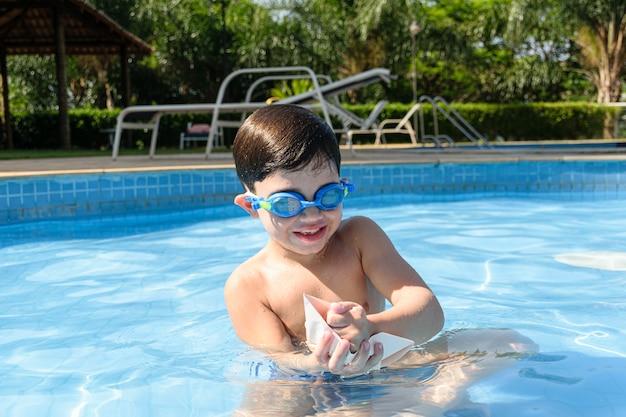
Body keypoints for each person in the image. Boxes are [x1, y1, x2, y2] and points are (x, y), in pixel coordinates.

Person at [225, 104, 444, 377]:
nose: (312, 215)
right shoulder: (248, 285)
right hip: (308, 384)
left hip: (380, 369)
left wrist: (370, 328)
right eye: (287, 203)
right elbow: (283, 362)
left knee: (500, 345)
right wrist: (317, 363)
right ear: (251, 206)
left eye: (327, 195)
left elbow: (431, 315)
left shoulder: (360, 239)